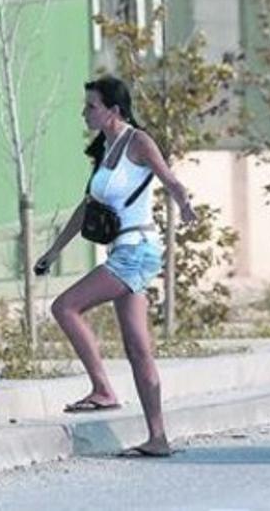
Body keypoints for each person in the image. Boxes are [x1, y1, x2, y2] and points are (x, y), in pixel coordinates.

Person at [35, 76, 197, 458]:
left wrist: (184, 205)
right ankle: (158, 438)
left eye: (91, 106)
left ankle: (103, 389)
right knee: (138, 348)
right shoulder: (104, 151)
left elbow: (169, 178)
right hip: (122, 251)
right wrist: (53, 252)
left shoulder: (137, 142)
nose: (85, 112)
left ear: (114, 110)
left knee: (65, 307)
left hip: (138, 250)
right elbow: (86, 209)